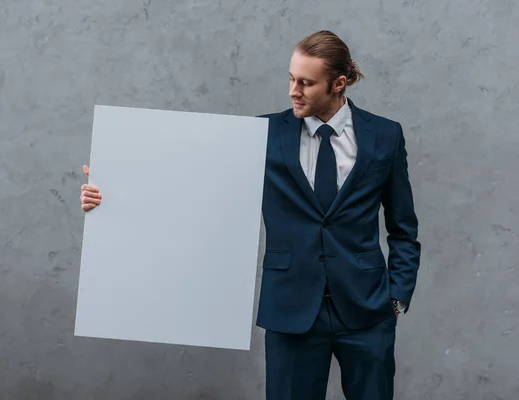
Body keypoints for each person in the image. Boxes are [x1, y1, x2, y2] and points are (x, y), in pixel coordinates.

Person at [80, 30, 420, 400]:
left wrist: (396, 298)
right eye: (291, 78)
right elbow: (190, 184)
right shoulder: (263, 134)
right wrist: (110, 195)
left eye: (306, 83)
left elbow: (403, 227)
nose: (293, 90)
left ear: (338, 84)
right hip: (292, 312)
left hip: (367, 311)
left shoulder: (385, 135)